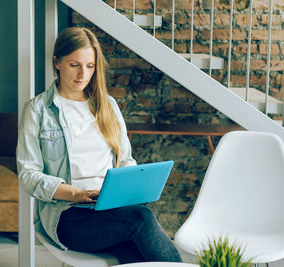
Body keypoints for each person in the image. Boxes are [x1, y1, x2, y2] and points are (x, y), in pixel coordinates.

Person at [16, 27, 182, 264]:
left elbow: (125, 160)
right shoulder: (38, 111)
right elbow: (28, 175)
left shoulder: (108, 105)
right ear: (57, 63)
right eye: (75, 65)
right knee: (141, 219)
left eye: (90, 66)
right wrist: (75, 193)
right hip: (68, 214)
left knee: (136, 256)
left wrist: (128, 187)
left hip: (110, 208)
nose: (83, 74)